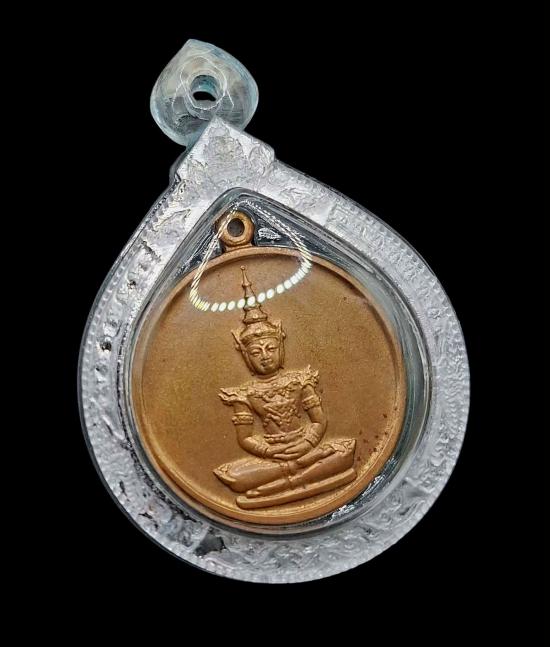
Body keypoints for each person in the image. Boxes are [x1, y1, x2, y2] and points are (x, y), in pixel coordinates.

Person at [215, 267, 356, 509]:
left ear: (280, 346)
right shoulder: (243, 395)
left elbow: (319, 421)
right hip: (273, 456)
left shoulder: (300, 380)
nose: (265, 356)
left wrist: (307, 444)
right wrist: (269, 452)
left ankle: (283, 482)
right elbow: (246, 438)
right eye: (256, 352)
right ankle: (299, 473)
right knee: (234, 475)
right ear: (245, 355)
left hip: (307, 446)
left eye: (270, 348)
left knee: (343, 450)